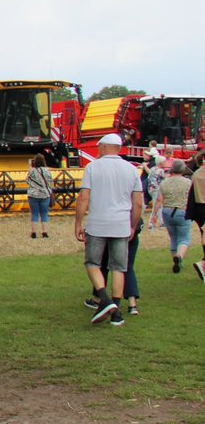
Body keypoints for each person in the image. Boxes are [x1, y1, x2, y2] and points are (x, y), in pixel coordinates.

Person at [74, 133, 143, 327]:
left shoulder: (92, 167)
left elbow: (83, 197)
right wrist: (133, 225)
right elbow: (138, 203)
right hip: (121, 224)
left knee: (92, 263)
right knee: (119, 267)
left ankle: (104, 299)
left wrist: (78, 222)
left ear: (104, 147)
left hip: (98, 223)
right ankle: (116, 312)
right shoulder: (131, 170)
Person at [151, 159, 193, 274]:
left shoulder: (165, 182)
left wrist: (154, 213)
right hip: (182, 211)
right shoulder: (188, 182)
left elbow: (159, 199)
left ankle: (175, 259)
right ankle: (179, 257)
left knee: (173, 237)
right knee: (184, 238)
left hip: (167, 211)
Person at [26, 154, 54, 238]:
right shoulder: (47, 170)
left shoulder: (32, 171)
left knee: (34, 214)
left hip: (33, 195)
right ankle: (44, 232)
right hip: (45, 195)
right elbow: (50, 181)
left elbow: (27, 181)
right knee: (44, 214)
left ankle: (34, 232)